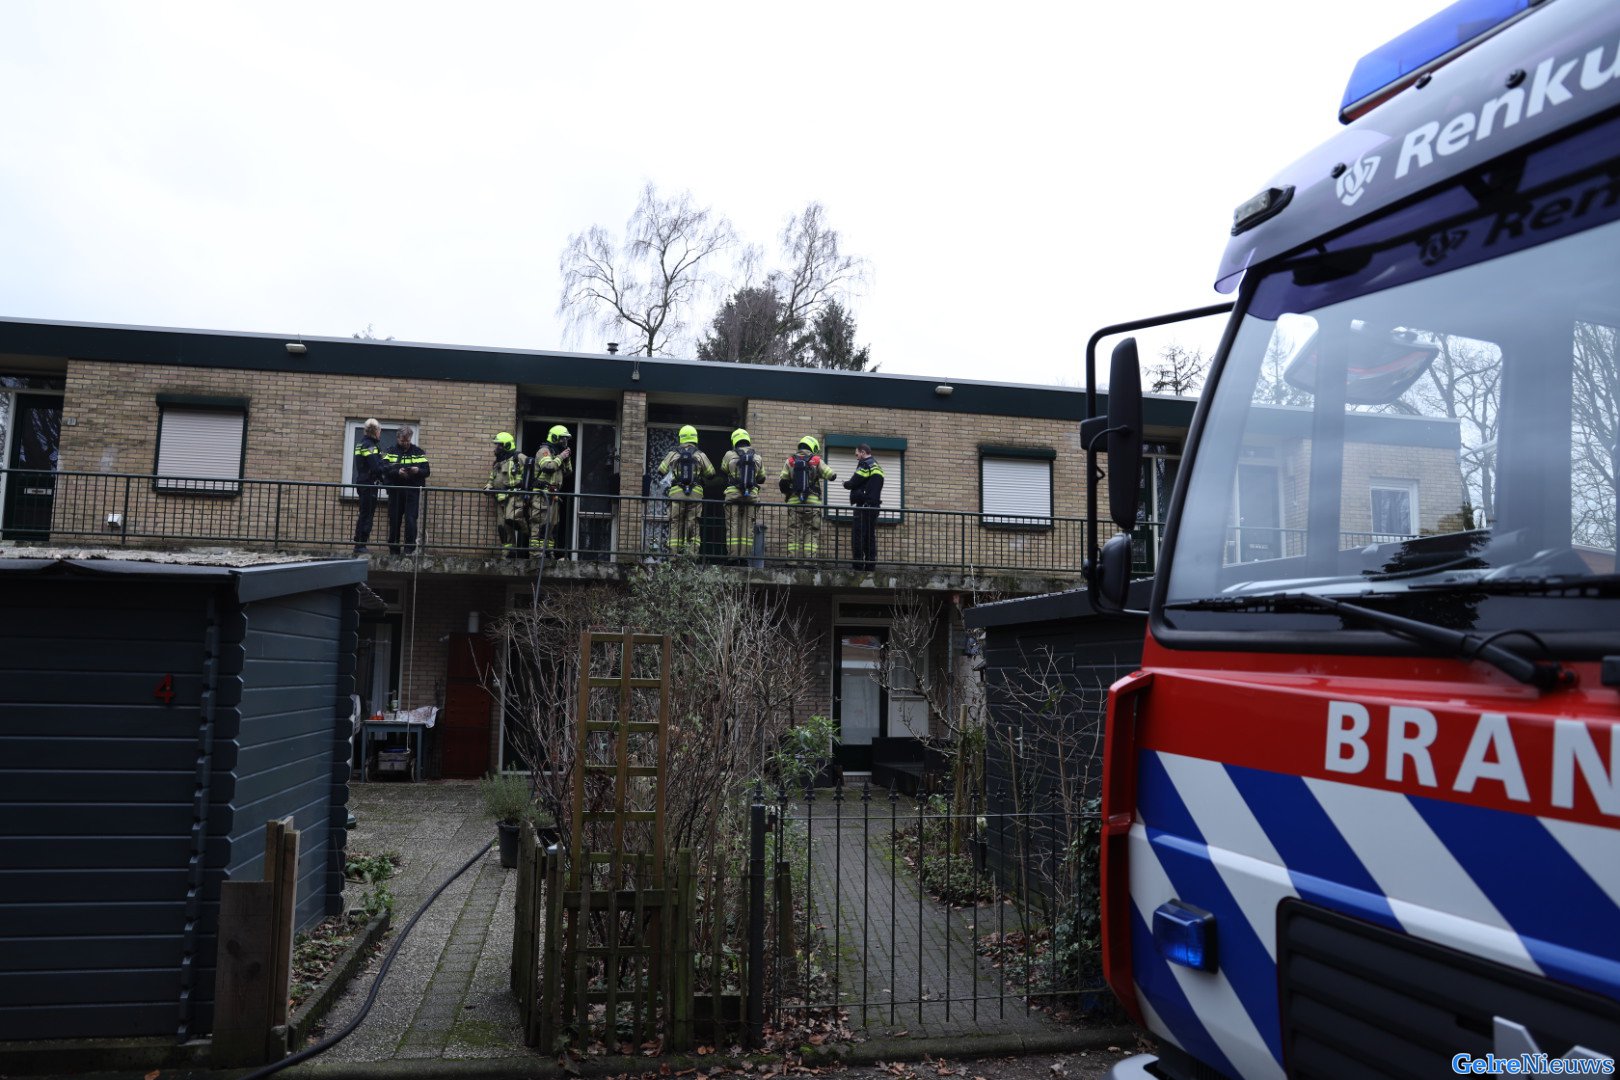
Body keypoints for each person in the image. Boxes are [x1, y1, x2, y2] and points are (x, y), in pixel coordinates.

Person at [657, 425, 716, 557]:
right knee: (693, 523)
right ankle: (691, 556)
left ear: (681, 438)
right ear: (695, 438)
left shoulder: (673, 453)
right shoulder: (700, 454)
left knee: (675, 522)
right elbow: (711, 473)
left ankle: (674, 556)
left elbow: (661, 470)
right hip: (695, 494)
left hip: (676, 494)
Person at [779, 435, 835, 563]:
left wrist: (790, 491)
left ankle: (791, 561)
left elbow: (782, 484)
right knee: (811, 531)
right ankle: (809, 561)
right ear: (812, 446)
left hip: (794, 503)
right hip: (812, 504)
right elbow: (831, 475)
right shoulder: (816, 460)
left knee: (793, 532)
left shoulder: (790, 461)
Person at [382, 425, 430, 555]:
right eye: (403, 441)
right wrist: (398, 472)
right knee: (394, 520)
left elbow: (427, 471)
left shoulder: (418, 452)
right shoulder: (390, 451)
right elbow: (384, 468)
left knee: (410, 519)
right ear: (397, 438)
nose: (405, 443)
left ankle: (409, 548)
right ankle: (394, 549)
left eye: (408, 440)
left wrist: (417, 470)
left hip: (412, 492)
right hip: (395, 491)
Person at [528, 424, 574, 558]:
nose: (565, 442)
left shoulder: (556, 454)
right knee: (540, 523)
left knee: (552, 525)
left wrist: (566, 458)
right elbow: (548, 467)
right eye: (562, 439)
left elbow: (568, 472)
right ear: (554, 438)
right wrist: (560, 457)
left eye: (566, 440)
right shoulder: (544, 451)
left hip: (553, 495)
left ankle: (548, 552)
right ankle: (536, 554)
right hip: (542, 495)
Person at [721, 428, 764, 563]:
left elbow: (723, 470)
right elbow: (762, 478)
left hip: (733, 495)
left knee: (733, 525)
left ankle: (733, 557)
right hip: (751, 496)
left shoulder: (729, 454)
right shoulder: (757, 456)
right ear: (747, 440)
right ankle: (744, 558)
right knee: (748, 527)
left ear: (735, 440)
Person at [484, 431, 528, 558]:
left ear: (507, 445)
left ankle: (530, 538)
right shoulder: (497, 463)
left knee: (512, 519)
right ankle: (509, 552)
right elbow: (492, 479)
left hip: (514, 496)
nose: (496, 448)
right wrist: (488, 486)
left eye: (499, 445)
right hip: (500, 499)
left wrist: (525, 488)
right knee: (502, 526)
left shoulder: (518, 457)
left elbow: (532, 469)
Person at [843, 443, 884, 570]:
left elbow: (854, 482)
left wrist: (845, 484)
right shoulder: (877, 466)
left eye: (857, 454)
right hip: (874, 507)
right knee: (870, 537)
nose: (857, 457)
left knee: (858, 537)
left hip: (863, 507)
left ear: (863, 452)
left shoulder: (865, 464)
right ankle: (870, 565)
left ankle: (858, 566)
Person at [352, 418, 383, 554]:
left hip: (362, 482)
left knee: (364, 513)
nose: (380, 434)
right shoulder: (370, 446)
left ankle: (359, 542)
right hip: (369, 484)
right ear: (375, 431)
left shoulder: (360, 444)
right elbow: (375, 467)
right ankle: (361, 544)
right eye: (379, 431)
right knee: (367, 514)